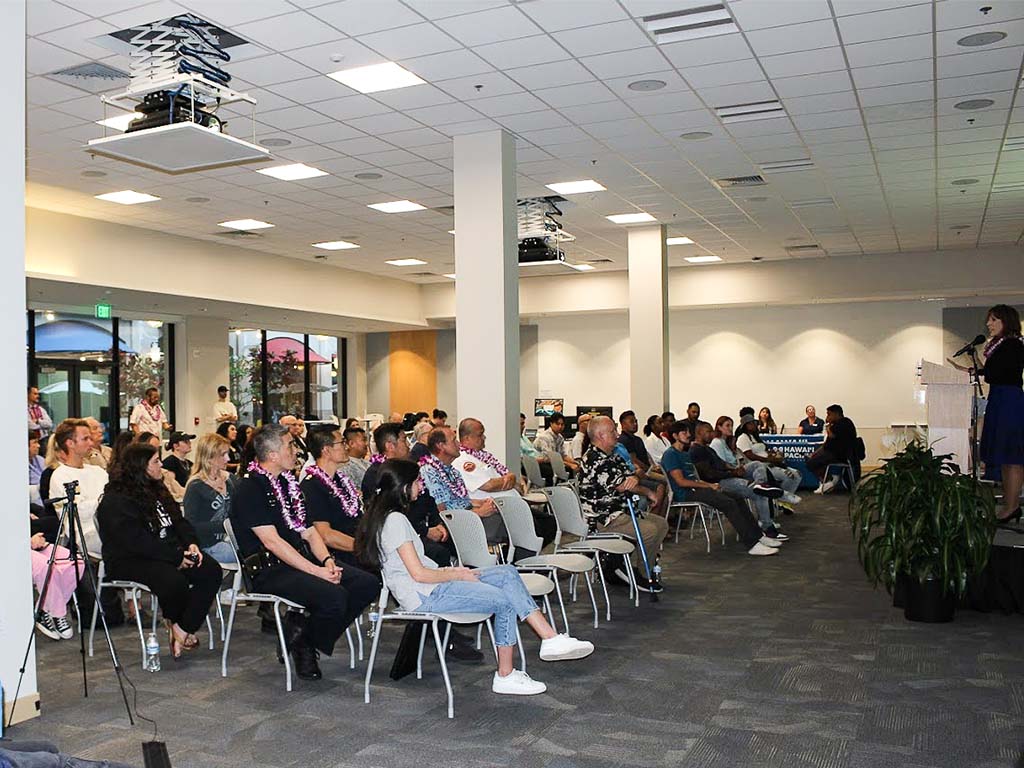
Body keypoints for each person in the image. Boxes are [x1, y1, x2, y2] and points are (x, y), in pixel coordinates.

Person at [355, 459, 594, 695]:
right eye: (417, 481)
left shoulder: (389, 516)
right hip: (425, 593)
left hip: (432, 584)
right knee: (503, 599)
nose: (421, 486)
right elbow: (418, 574)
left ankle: (550, 638)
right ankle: (505, 675)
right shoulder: (395, 520)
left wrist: (453, 574)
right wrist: (454, 573)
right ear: (403, 486)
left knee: (507, 573)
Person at [230, 425, 377, 679]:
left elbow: (309, 532)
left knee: (367, 584)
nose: (296, 451)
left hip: (298, 559)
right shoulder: (250, 489)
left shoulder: (288, 484)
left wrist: (327, 560)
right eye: (289, 445)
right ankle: (304, 645)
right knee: (335, 597)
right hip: (269, 570)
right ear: (273, 455)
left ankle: (303, 635)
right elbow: (273, 542)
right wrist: (316, 571)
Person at [96, 443, 222, 658]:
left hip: (163, 554)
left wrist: (191, 544)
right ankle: (178, 625)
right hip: (128, 559)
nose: (161, 465)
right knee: (173, 580)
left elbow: (179, 521)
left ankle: (182, 628)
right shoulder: (116, 499)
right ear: (140, 466)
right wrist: (175, 558)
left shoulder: (156, 488)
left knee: (210, 570)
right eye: (155, 461)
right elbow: (135, 541)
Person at [948, 305, 1024, 521]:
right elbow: (995, 373)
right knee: (1007, 457)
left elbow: (1000, 373)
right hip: (1001, 398)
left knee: (1013, 456)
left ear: (1005, 321)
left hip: (1009, 401)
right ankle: (1010, 505)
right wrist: (972, 369)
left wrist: (979, 367)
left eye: (993, 320)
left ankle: (1012, 506)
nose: (988, 324)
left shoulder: (1012, 344)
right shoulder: (1002, 345)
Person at [659, 422, 779, 557]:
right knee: (728, 503)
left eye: (688, 432)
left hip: (696, 489)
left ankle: (758, 536)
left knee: (737, 498)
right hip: (685, 494)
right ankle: (752, 544)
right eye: (684, 433)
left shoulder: (684, 454)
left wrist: (710, 485)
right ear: (675, 436)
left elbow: (695, 479)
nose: (688, 435)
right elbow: (681, 482)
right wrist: (709, 485)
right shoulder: (670, 454)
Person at [578, 416, 670, 591]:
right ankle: (635, 572)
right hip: (603, 518)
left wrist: (634, 478)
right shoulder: (595, 460)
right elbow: (623, 485)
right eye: (612, 431)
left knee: (661, 524)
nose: (617, 434)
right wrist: (648, 491)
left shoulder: (612, 456)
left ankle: (643, 569)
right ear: (600, 435)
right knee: (649, 531)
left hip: (621, 511)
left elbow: (633, 475)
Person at [688, 421, 789, 540]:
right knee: (760, 493)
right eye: (708, 432)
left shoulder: (707, 449)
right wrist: (732, 473)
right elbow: (709, 474)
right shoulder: (697, 451)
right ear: (699, 433)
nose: (711, 434)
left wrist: (734, 469)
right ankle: (767, 528)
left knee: (756, 465)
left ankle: (759, 484)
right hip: (719, 482)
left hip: (727, 476)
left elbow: (722, 463)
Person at [421, 427, 506, 542]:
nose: (458, 444)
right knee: (509, 525)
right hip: (458, 526)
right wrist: (480, 512)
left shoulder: (452, 470)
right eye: (454, 440)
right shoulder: (430, 473)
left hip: (469, 515)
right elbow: (443, 515)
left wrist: (482, 503)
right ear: (441, 446)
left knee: (511, 518)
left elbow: (460, 501)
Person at [301, 427, 370, 568]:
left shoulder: (341, 480)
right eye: (342, 442)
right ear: (326, 450)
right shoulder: (312, 486)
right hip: (341, 554)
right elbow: (325, 535)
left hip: (358, 545)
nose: (346, 447)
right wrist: (365, 548)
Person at [48, 419, 108, 554]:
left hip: (110, 525)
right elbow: (79, 512)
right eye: (85, 439)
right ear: (70, 444)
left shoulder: (98, 471)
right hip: (86, 533)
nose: (91, 443)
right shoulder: (60, 476)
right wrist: (103, 501)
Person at [711, 416, 801, 507]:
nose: (731, 428)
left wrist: (772, 456)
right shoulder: (720, 442)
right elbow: (722, 464)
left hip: (759, 466)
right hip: (731, 475)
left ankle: (764, 488)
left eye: (731, 426)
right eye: (728, 426)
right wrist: (768, 459)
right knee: (761, 469)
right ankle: (778, 495)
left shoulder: (750, 438)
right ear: (719, 427)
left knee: (796, 474)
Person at [182, 433, 238, 565]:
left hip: (230, 539)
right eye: (223, 455)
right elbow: (190, 525)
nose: (228, 459)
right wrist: (225, 526)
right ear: (210, 457)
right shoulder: (195, 486)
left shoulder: (230, 479)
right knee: (249, 552)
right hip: (208, 545)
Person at [31, 531, 85, 640]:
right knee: (46, 567)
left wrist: (37, 537)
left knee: (77, 562)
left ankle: (46, 609)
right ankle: (57, 612)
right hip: (10, 549)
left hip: (31, 542)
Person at [735, 415, 802, 497]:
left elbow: (762, 450)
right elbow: (750, 455)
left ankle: (781, 499)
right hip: (761, 468)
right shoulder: (743, 438)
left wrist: (772, 454)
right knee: (791, 476)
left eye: (754, 423)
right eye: (751, 423)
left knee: (798, 474)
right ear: (745, 426)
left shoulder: (755, 437)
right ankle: (782, 499)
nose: (754, 425)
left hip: (769, 464)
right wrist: (768, 459)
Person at [806, 404, 860, 494]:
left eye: (829, 414)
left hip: (840, 454)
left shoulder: (844, 423)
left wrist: (828, 425)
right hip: (831, 452)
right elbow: (826, 444)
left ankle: (827, 481)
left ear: (836, 414)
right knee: (812, 459)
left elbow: (831, 435)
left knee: (812, 463)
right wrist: (815, 453)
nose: (827, 417)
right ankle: (828, 480)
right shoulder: (837, 424)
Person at [137, 432, 186, 502]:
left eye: (158, 449)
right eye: (152, 448)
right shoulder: (136, 480)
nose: (156, 452)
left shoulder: (164, 473)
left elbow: (181, 491)